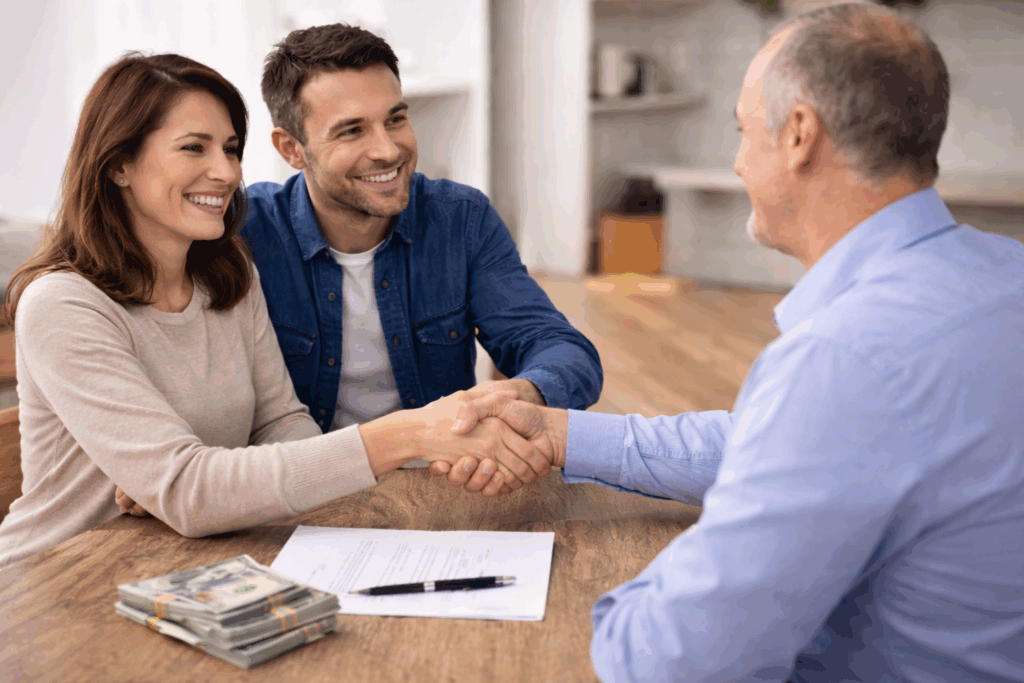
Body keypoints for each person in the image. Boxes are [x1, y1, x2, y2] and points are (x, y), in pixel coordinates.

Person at [439, 4, 1024, 682]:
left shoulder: (847, 361)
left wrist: (633, 577)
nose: (739, 161)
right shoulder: (1005, 273)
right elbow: (798, 443)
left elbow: (667, 659)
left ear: (800, 135)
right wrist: (563, 435)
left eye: (744, 130)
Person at [0, 53, 531, 569]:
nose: (225, 172)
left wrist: (229, 494)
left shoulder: (226, 275)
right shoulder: (63, 305)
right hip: (62, 583)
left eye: (230, 149)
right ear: (118, 165)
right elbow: (187, 489)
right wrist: (406, 434)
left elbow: (281, 422)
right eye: (194, 148)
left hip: (190, 568)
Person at [239, 24, 603, 452]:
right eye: (352, 130)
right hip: (305, 481)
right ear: (291, 149)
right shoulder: (245, 231)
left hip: (441, 472)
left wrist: (522, 395)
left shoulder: (460, 219)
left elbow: (561, 348)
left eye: (395, 119)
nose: (389, 150)